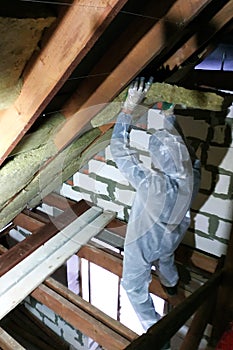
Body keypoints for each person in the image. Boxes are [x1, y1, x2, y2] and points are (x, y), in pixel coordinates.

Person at [110, 77, 201, 345]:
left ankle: (156, 334)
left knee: (132, 287)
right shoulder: (191, 180)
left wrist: (127, 109)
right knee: (167, 258)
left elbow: (119, 149)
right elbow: (191, 160)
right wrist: (170, 118)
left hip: (143, 246)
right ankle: (171, 284)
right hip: (171, 237)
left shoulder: (153, 185)